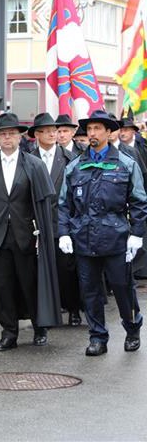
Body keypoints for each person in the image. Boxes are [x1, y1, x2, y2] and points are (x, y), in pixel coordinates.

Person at [0, 113, 62, 350]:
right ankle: (9, 333)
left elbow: (42, 205)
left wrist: (41, 236)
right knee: (3, 286)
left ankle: (40, 327)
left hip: (25, 236)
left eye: (11, 133)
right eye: (3, 134)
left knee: (29, 285)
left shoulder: (34, 165)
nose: (7, 137)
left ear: (19, 137)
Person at [58, 110, 147, 356]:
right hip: (84, 237)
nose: (93, 134)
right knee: (90, 290)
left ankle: (132, 328)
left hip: (116, 237)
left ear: (109, 132)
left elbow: (139, 201)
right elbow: (64, 204)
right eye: (90, 129)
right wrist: (64, 232)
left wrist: (136, 234)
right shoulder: (76, 166)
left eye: (98, 129)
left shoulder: (126, 164)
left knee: (122, 287)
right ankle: (98, 337)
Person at [28, 113, 82, 326]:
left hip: (62, 222)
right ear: (37, 134)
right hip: (36, 224)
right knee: (38, 269)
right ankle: (46, 311)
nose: (53, 134)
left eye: (55, 130)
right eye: (48, 130)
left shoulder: (70, 159)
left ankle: (74, 308)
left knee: (67, 268)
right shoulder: (29, 159)